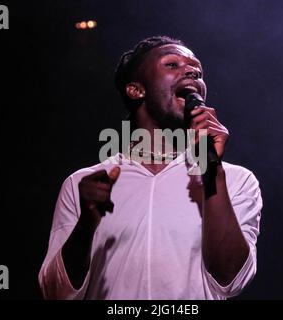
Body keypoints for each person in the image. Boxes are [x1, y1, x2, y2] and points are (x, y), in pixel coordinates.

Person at [38, 36, 262, 300]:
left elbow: (231, 280)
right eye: (172, 64)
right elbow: (54, 293)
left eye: (197, 71)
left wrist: (211, 169)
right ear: (136, 90)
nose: (191, 71)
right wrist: (87, 223)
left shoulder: (237, 181)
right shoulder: (85, 184)